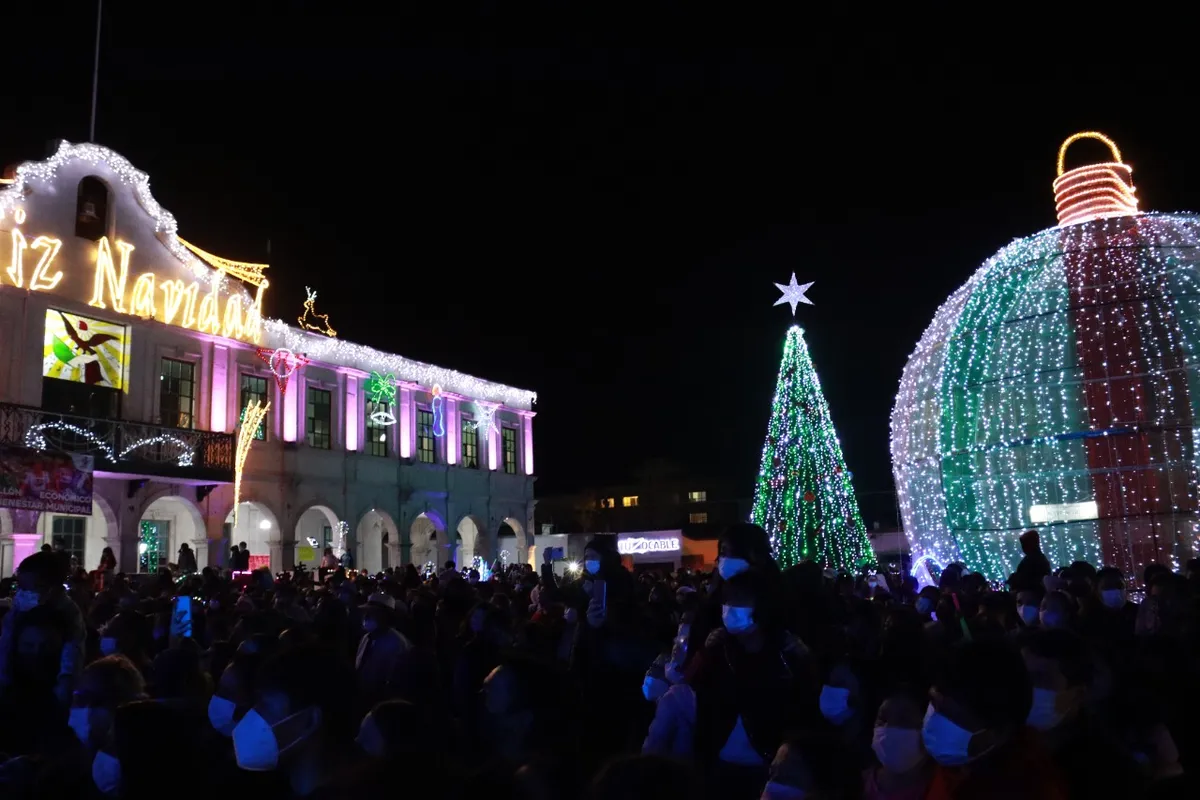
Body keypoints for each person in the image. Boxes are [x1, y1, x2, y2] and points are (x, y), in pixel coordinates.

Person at [923, 639, 1065, 799]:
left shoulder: (1031, 789)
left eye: (951, 716)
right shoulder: (959, 765)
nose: (934, 720)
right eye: (934, 703)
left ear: (999, 732)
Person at [0, 551, 86, 707]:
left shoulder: (70, 616)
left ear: (49, 588)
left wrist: (60, 701)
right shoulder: (17, 612)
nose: (21, 593)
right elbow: (4, 652)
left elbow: (70, 666)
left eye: (28, 587)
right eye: (20, 586)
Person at [863, 693, 931, 800]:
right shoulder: (854, 785)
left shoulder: (942, 792)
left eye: (904, 720)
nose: (889, 727)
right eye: (883, 719)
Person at [354, 592, 412, 710]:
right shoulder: (367, 638)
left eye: (371, 613)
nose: (366, 617)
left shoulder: (397, 643)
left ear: (385, 616)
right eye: (366, 613)